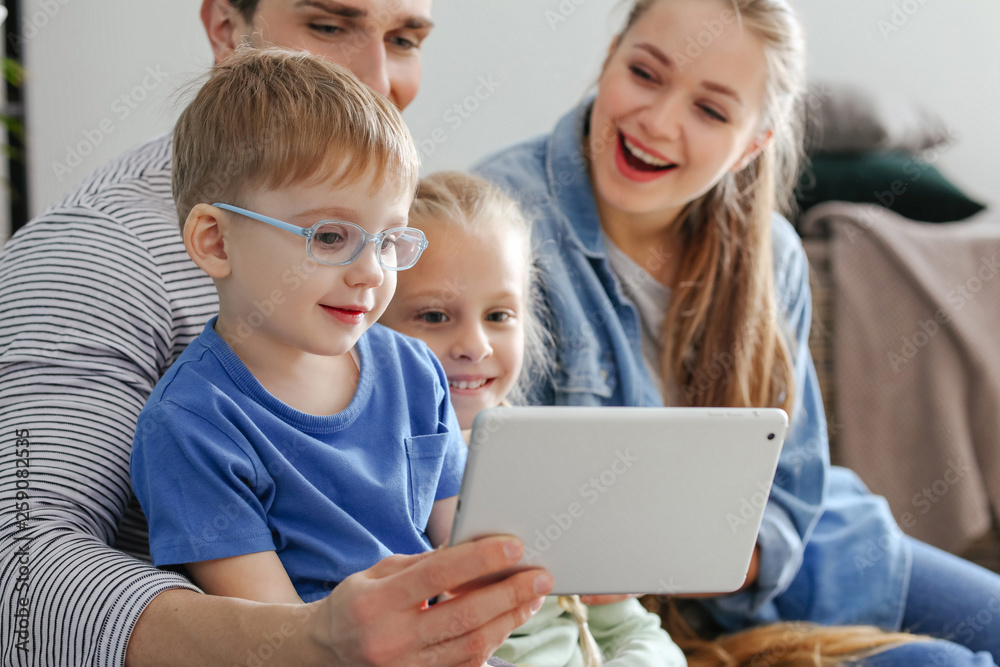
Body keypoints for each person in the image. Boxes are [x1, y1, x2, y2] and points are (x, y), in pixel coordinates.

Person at [0, 2, 552, 665]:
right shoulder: (97, 265)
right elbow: (21, 566)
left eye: (404, 38)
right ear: (225, 27)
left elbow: (461, 534)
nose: (377, 75)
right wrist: (318, 638)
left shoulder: (397, 354)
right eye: (329, 25)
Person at [473, 0, 1000, 665]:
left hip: (816, 552)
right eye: (645, 74)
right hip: (623, 616)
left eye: (712, 111)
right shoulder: (498, 230)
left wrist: (703, 552)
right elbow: (489, 504)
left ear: (754, 142)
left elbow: (792, 494)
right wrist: (666, 557)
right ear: (610, 58)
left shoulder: (773, 254)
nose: (658, 122)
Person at [380, 170, 687, 667]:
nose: (475, 346)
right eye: (435, 316)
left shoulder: (545, 460)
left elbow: (633, 629)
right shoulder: (371, 476)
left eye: (499, 316)